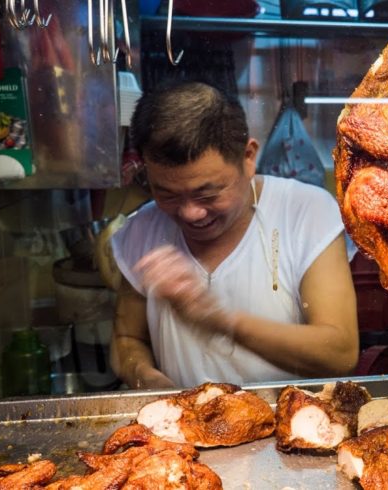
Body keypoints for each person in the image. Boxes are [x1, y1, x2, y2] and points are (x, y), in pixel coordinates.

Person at [110, 81, 359, 389]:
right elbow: (127, 338)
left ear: (248, 157)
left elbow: (340, 352)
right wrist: (148, 380)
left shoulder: (307, 213)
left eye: (208, 193)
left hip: (288, 427)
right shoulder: (142, 230)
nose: (190, 213)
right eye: (167, 193)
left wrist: (223, 321)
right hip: (182, 431)